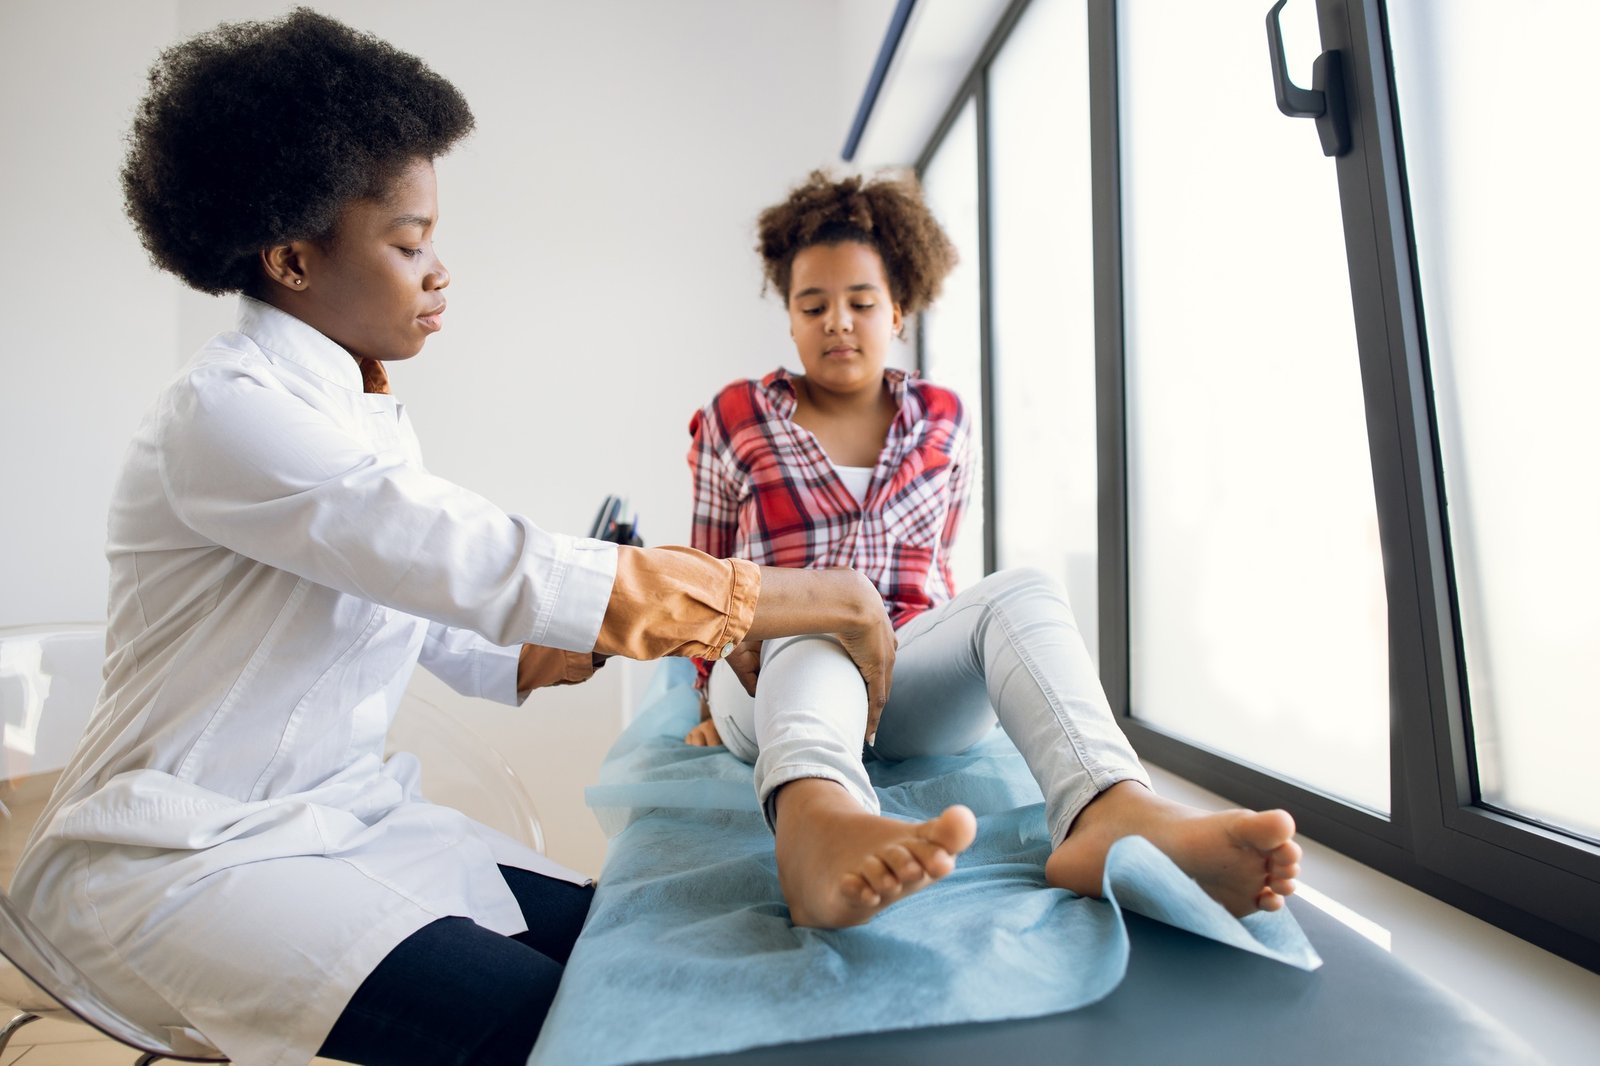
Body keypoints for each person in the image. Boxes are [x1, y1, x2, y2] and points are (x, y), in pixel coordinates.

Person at [10, 13, 896, 1066]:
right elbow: (480, 562)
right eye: (409, 244)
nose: (439, 272)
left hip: (346, 820)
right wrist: (807, 598)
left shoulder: (359, 413)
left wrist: (621, 628)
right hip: (180, 858)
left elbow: (452, 623)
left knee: (637, 955)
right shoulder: (228, 413)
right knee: (563, 1026)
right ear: (292, 258)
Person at [684, 170, 1302, 931]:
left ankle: (1108, 811)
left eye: (861, 303)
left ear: (898, 311)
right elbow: (705, 574)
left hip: (901, 673)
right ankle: (816, 825)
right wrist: (707, 694)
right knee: (819, 612)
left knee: (1025, 589)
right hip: (771, 677)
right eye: (813, 306)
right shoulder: (735, 414)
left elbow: (939, 564)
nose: (837, 322)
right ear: (790, 318)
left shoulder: (943, 416)